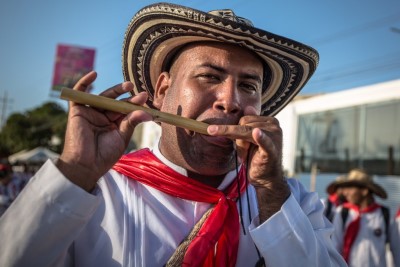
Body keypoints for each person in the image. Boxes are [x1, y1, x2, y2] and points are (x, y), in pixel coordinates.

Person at [0, 3, 346, 267]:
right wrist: (74, 172)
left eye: (248, 86)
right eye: (209, 77)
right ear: (162, 91)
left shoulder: (293, 202)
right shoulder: (96, 192)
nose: (230, 101)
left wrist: (272, 196)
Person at [331, 168, 400, 267]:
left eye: (350, 188)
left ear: (364, 191)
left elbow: (397, 249)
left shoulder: (384, 214)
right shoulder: (342, 213)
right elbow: (335, 247)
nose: (346, 193)